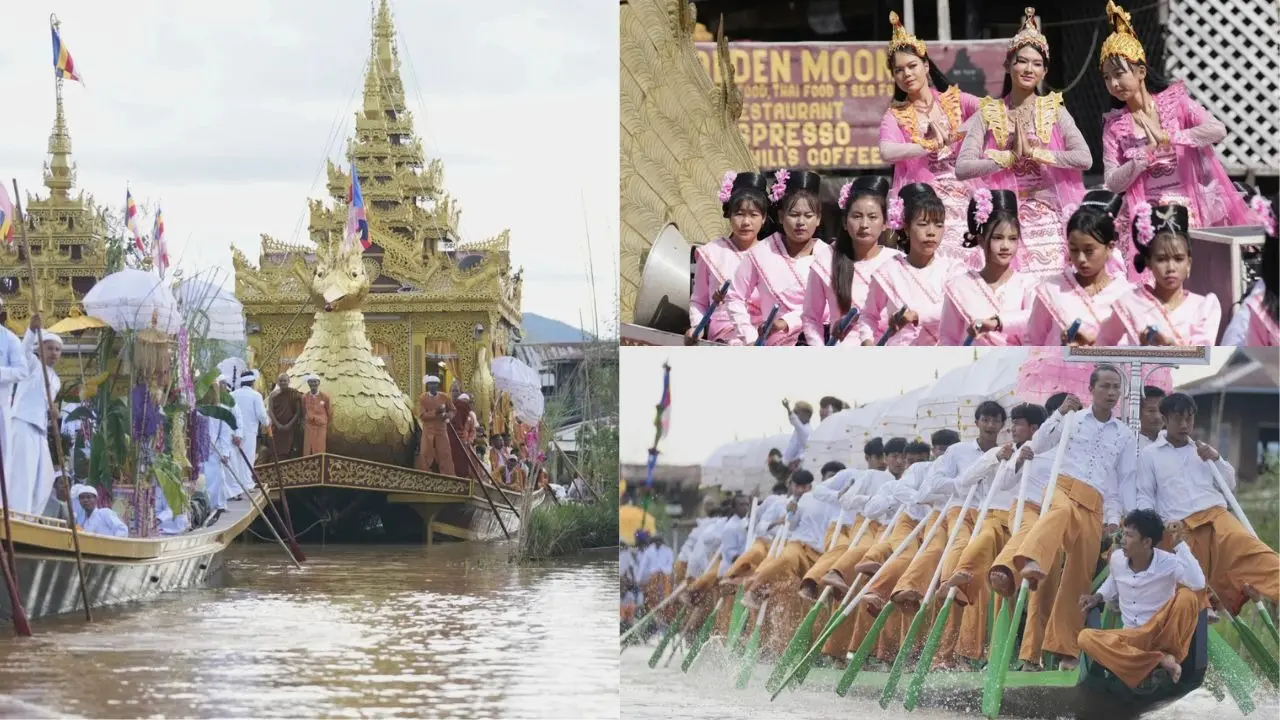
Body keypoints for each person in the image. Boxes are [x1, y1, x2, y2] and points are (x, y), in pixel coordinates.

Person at [1099, 1, 1260, 281]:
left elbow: (1217, 130)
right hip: (1144, 215)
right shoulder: (1115, 126)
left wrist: (1171, 137)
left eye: (1119, 73)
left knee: (1191, 282)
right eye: (1107, 77)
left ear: (1140, 72)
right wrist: (1142, 157)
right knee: (1151, 286)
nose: (1114, 83)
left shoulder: (1176, 103)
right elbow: (1112, 182)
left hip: (1188, 210)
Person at [1014, 365, 1133, 670]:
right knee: (1058, 520)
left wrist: (1114, 518)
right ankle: (1031, 652)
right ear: (1091, 390)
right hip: (1062, 488)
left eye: (1115, 387)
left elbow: (1118, 482)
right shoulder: (1072, 419)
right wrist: (1058, 414)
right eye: (1105, 386)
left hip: (1094, 503)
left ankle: (1066, 649)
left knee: (1079, 577)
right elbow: (1038, 445)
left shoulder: (1124, 434)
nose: (1111, 393)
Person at [956, 8, 1089, 278]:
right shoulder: (989, 112)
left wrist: (1039, 154)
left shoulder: (1054, 109)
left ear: (1044, 71)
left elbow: (1084, 158)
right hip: (1005, 218)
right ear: (1008, 65)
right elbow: (963, 167)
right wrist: (1007, 158)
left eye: (1037, 63)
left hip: (1048, 216)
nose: (1029, 69)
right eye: (1022, 61)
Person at [1136, 392, 1278, 614]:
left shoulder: (1201, 450)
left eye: (1189, 419)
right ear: (1165, 419)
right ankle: (1202, 612)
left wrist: (1216, 458)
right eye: (1178, 419)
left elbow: (1228, 484)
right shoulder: (1150, 454)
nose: (1184, 425)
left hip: (1215, 514)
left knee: (1250, 548)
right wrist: (1151, 525)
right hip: (1179, 523)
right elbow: (1145, 494)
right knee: (1190, 578)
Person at [879, 10, 982, 266]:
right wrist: (926, 146)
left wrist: (955, 135)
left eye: (912, 66)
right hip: (928, 200)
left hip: (965, 191)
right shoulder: (896, 114)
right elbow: (887, 151)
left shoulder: (952, 99)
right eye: (899, 70)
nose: (907, 74)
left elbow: (991, 110)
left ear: (926, 66)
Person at [1077, 509, 1206, 689]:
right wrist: (1098, 596)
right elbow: (1114, 581)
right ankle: (1158, 662)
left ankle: (1160, 657)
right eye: (1123, 533)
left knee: (1188, 597)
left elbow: (1198, 583)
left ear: (1146, 542)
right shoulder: (1117, 560)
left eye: (1129, 535)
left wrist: (1179, 544)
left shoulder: (1168, 562)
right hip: (1131, 637)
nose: (1123, 539)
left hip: (1162, 634)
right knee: (1085, 638)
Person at [724, 169, 833, 346]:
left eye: (808, 215)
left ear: (819, 219)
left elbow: (834, 307)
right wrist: (749, 336)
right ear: (781, 216)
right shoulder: (761, 252)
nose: (801, 223)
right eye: (794, 214)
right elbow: (735, 295)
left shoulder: (828, 256)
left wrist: (788, 321)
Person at [852, 183, 965, 345]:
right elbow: (868, 315)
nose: (931, 232)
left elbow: (956, 309)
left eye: (938, 225)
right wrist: (867, 341)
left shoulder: (953, 270)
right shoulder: (889, 270)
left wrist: (916, 315)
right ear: (906, 228)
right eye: (923, 224)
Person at [1096, 203, 1222, 345]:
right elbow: (1103, 343)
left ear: (1189, 263)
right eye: (1161, 259)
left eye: (1179, 259)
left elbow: (1204, 358)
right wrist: (1139, 352)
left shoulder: (1203, 307)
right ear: (1149, 262)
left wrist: (1169, 345)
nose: (1170, 268)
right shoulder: (1130, 302)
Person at [1025, 192, 1135, 346]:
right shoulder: (1051, 289)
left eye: (1089, 250)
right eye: (1074, 250)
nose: (1081, 259)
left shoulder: (1126, 293)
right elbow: (1033, 341)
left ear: (1109, 247)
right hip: (1058, 368)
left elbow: (1137, 347)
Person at [803, 175, 901, 345]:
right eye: (856, 216)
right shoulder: (826, 260)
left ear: (885, 222)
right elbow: (811, 318)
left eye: (872, 217)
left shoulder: (898, 262)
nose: (864, 224)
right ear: (844, 222)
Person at [939, 189, 1037, 344]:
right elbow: (948, 338)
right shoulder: (959, 286)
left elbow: (1035, 319)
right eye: (998, 238)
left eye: (1012, 239)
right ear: (982, 240)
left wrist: (997, 322)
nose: (1006, 246)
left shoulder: (1028, 284)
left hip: (1017, 365)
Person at [689, 172, 771, 344]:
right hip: (722, 337)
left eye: (754, 215)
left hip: (763, 336)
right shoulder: (712, 252)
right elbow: (699, 300)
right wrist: (697, 327)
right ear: (729, 215)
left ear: (763, 218)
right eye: (740, 214)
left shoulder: (772, 254)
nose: (746, 222)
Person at [5, 320, 62, 515]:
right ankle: (17, 515)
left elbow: (45, 405)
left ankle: (30, 517)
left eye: (57, 350)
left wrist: (53, 413)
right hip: (23, 424)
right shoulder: (32, 364)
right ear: (41, 349)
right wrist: (31, 331)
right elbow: (23, 351)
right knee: (23, 475)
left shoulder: (56, 380)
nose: (54, 353)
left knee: (45, 479)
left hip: (40, 430)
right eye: (50, 348)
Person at [229, 370, 270, 498]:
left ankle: (235, 486)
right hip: (249, 431)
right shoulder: (256, 395)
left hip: (234, 431)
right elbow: (261, 415)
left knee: (235, 458)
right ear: (253, 382)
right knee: (248, 457)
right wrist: (267, 422)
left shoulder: (232, 394)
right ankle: (246, 484)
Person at [416, 375, 455, 475]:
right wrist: (435, 412)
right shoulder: (423, 398)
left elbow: (452, 410)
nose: (432, 386)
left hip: (441, 429)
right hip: (428, 430)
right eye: (430, 384)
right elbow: (422, 416)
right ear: (428, 386)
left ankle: (448, 476)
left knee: (445, 453)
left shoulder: (445, 397)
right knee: (425, 452)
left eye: (434, 384)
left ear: (438, 385)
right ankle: (425, 475)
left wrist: (447, 415)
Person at [266, 373, 303, 459]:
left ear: (289, 381)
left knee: (288, 451)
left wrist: (288, 425)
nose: (283, 383)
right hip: (276, 427)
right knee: (275, 450)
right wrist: (278, 424)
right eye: (280, 381)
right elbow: (270, 411)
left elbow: (298, 412)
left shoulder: (294, 393)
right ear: (277, 382)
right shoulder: (273, 395)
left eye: (285, 381)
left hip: (289, 428)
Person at [449, 392, 479, 477]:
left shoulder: (470, 415)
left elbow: (473, 431)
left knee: (472, 460)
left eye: (465, 402)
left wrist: (469, 440)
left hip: (466, 443)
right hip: (452, 442)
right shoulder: (452, 414)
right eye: (462, 401)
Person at [301, 374, 332, 456]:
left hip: (321, 426)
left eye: (315, 382)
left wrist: (325, 422)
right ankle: (308, 464)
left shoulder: (325, 397)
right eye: (311, 382)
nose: (313, 384)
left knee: (319, 446)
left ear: (318, 383)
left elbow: (329, 411)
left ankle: (319, 464)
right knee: (308, 447)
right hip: (309, 425)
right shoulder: (305, 397)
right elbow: (304, 410)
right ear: (308, 383)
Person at [781, 399, 813, 471]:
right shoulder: (797, 431)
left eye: (796, 412)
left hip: (798, 469)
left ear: (806, 415)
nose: (794, 414)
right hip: (788, 468)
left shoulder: (806, 431)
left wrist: (788, 408)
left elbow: (794, 421)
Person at [1137, 386, 1165, 451]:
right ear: (1138, 412)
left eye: (1161, 410)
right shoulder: (1129, 442)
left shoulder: (1172, 442)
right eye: (1151, 411)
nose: (1158, 417)